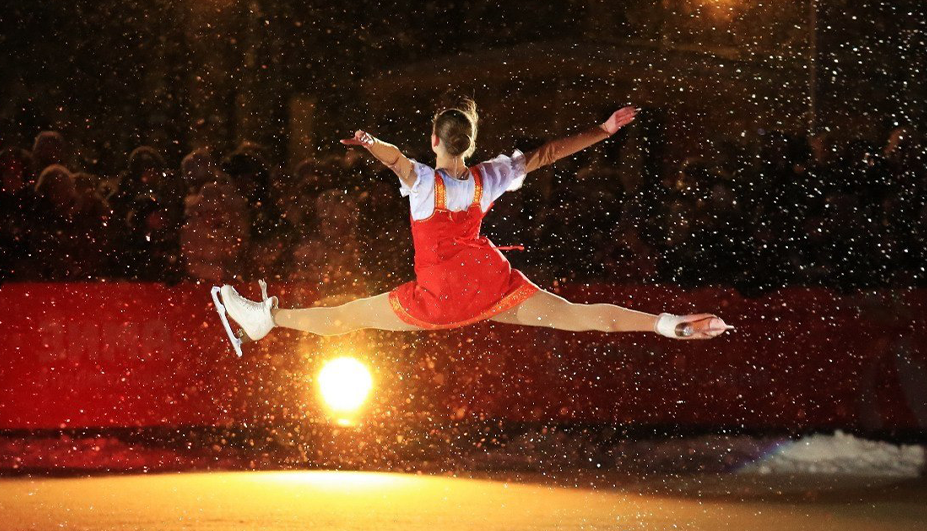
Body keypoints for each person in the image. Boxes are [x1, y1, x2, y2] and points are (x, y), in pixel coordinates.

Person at [215, 100, 730, 351]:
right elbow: (548, 153)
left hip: (440, 296)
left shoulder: (422, 183)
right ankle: (666, 323)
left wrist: (370, 142)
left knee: (351, 315)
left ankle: (268, 321)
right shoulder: (491, 177)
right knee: (577, 315)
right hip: (489, 284)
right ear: (471, 140)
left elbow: (396, 161)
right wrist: (604, 129)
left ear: (433, 139)